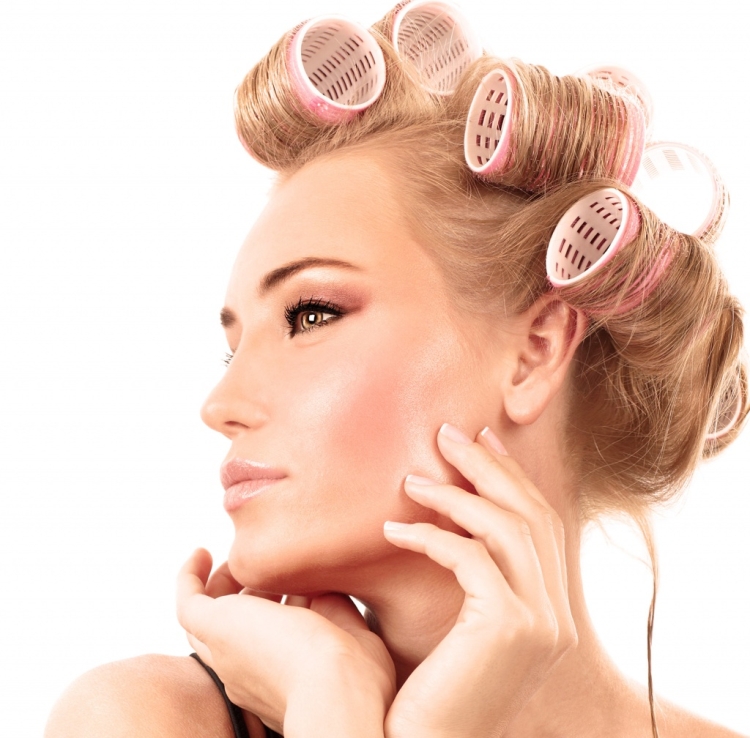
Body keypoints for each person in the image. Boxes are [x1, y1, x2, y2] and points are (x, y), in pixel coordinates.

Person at [44, 3, 747, 737]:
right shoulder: (142, 719)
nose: (219, 405)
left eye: (309, 314)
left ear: (536, 350)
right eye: (234, 346)